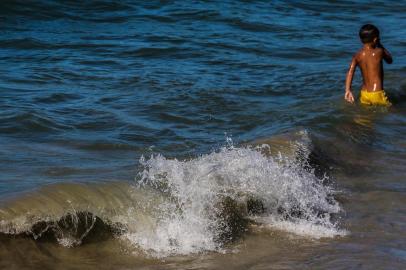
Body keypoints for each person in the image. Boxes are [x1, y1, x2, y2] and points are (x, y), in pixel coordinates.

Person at [344, 24, 393, 106]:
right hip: (377, 92)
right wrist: (380, 44)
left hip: (364, 94)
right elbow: (390, 60)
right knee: (390, 112)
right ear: (375, 39)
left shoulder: (357, 55)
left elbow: (350, 72)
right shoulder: (379, 52)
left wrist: (348, 90)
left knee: (366, 117)